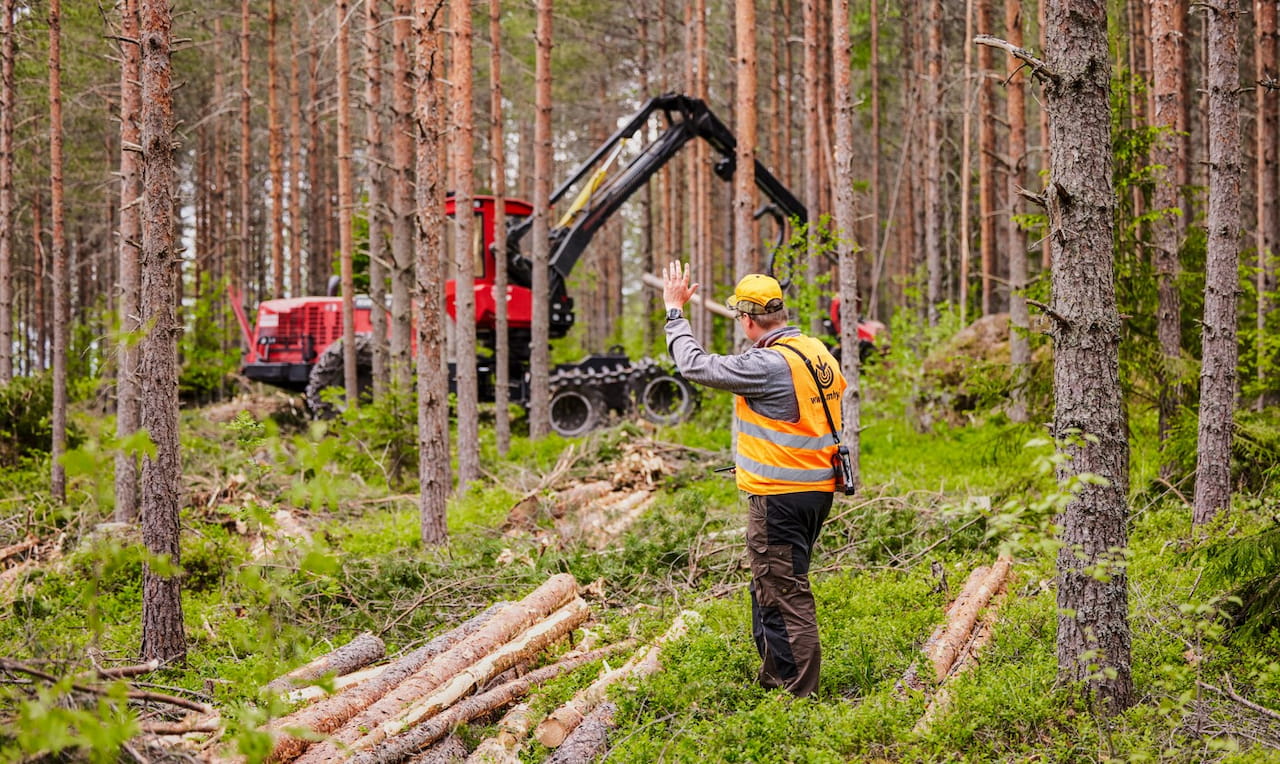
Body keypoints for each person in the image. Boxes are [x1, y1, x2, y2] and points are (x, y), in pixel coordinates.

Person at [661, 261, 847, 698]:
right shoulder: (816, 351)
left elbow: (694, 365)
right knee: (770, 586)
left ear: (746, 319)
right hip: (815, 491)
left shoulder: (768, 364)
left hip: (779, 498)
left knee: (784, 593)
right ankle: (775, 680)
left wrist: (675, 312)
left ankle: (797, 698)